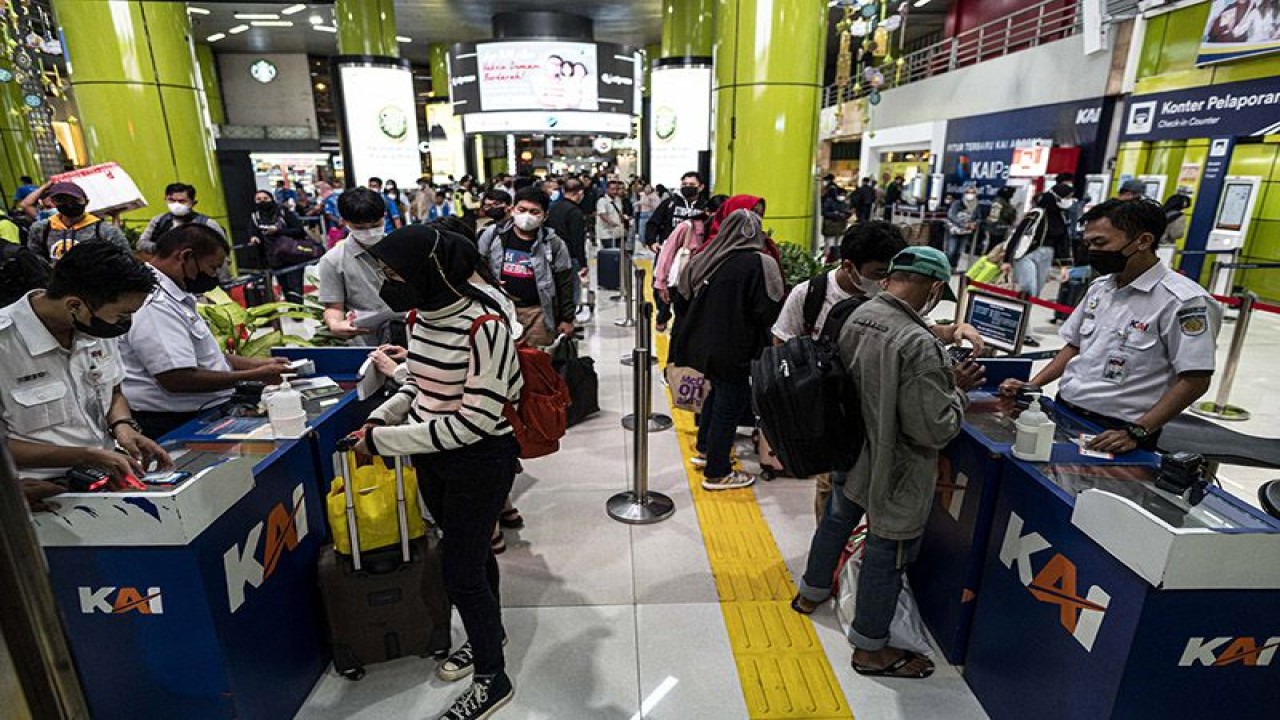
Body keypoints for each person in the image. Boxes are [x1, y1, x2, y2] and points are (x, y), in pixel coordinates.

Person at [347, 226, 522, 720]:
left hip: (480, 459)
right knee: (468, 552)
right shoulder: (421, 317)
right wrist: (385, 414)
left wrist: (384, 442)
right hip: (434, 456)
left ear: (433, 270)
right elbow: (423, 389)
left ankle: (493, 676)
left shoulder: (484, 327)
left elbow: (474, 423)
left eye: (395, 271)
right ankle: (494, 631)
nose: (388, 280)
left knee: (459, 570)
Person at [792, 246, 983, 679]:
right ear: (934, 288)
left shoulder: (856, 313)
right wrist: (957, 391)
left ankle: (811, 592)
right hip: (895, 467)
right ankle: (870, 650)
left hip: (851, 448)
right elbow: (932, 429)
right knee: (886, 548)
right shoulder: (918, 343)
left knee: (837, 520)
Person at [1000, 199, 1222, 453]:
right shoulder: (1101, 288)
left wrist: (1138, 431)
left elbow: (1195, 379)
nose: (1092, 251)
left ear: (1143, 241)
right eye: (1088, 243)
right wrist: (1034, 384)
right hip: (1064, 410)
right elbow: (1074, 345)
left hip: (1118, 430)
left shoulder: (1184, 302)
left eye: (1101, 243)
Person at [0, 242, 173, 485]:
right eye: (121, 316)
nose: (126, 323)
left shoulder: (93, 328)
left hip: (102, 475)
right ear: (75, 305)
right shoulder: (5, 345)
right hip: (37, 489)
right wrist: (83, 456)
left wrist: (122, 425)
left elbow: (112, 388)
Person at [120, 225, 289, 438]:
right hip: (174, 423)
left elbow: (201, 354)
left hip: (204, 412)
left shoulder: (176, 293)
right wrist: (254, 375)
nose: (214, 276)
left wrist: (260, 364)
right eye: (212, 267)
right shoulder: (155, 303)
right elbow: (177, 377)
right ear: (186, 256)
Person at [671, 203, 783, 491]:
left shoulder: (708, 256)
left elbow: (682, 295)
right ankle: (717, 472)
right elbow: (769, 309)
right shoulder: (761, 263)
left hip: (702, 345)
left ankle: (706, 448)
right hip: (737, 349)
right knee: (729, 405)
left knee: (715, 394)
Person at [477, 186, 576, 348]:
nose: (527, 216)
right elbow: (479, 265)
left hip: (537, 313)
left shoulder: (553, 243)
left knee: (535, 362)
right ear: (512, 209)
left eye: (534, 212)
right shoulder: (494, 234)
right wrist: (491, 281)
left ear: (545, 216)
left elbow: (565, 281)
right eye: (522, 209)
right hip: (501, 309)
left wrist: (567, 318)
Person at [317, 188, 404, 346]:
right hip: (367, 342)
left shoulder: (404, 248)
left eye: (376, 225)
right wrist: (335, 324)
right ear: (344, 221)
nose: (369, 232)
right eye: (360, 228)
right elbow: (334, 307)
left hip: (412, 337)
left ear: (384, 217)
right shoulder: (333, 260)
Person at [653, 194, 726, 333]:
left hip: (706, 286)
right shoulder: (688, 227)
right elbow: (666, 253)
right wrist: (661, 283)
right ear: (708, 212)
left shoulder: (724, 231)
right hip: (684, 284)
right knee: (683, 322)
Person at [27, 182, 129, 262]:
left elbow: (125, 259)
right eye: (62, 200)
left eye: (75, 200)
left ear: (86, 202)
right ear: (53, 202)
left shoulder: (105, 231)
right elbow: (36, 260)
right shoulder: (41, 229)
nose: (69, 204)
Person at [249, 190, 310, 303]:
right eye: (259, 199)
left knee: (295, 285)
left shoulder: (283, 212)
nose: (262, 201)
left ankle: (298, 311)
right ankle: (293, 307)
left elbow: (299, 231)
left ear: (272, 199)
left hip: (292, 255)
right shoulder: (255, 217)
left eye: (265, 198)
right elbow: (253, 231)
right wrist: (254, 237)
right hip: (274, 257)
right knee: (284, 286)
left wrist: (278, 230)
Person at [136, 183, 226, 255]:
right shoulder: (159, 220)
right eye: (171, 200)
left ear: (193, 203)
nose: (176, 204)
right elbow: (141, 244)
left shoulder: (207, 224)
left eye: (181, 201)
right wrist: (162, 248)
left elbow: (222, 251)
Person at [544, 179, 590, 311]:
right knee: (571, 290)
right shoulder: (575, 212)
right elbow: (578, 240)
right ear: (580, 193)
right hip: (570, 257)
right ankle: (570, 319)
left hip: (551, 255)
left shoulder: (552, 208)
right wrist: (583, 263)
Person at [644, 171, 709, 249]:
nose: (687, 187)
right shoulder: (669, 203)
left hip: (696, 252)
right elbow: (653, 223)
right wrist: (652, 242)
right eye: (684, 184)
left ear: (701, 187)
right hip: (668, 250)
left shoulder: (706, 207)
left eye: (692, 184)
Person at [945, 186, 982, 268]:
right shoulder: (957, 203)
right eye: (968, 192)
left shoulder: (976, 205)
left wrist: (974, 223)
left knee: (960, 251)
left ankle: (954, 268)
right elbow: (951, 215)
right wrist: (963, 224)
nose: (970, 194)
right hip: (954, 230)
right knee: (951, 250)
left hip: (966, 232)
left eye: (973, 193)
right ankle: (946, 267)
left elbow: (979, 218)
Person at [595, 180, 628, 250]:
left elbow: (619, 213)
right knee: (610, 253)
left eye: (616, 189)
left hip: (618, 233)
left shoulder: (618, 199)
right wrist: (613, 223)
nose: (615, 191)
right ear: (607, 189)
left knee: (618, 254)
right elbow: (602, 215)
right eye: (612, 189)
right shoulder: (602, 201)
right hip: (606, 233)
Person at [985, 186, 1018, 253]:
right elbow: (1003, 215)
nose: (1012, 196)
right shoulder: (999, 202)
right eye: (1012, 193)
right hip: (996, 229)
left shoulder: (1004, 201)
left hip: (999, 229)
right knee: (993, 248)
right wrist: (1013, 211)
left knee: (994, 247)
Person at [820, 184, 851, 248]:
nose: (843, 197)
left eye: (844, 195)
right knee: (829, 243)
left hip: (840, 226)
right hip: (830, 226)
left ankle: (835, 255)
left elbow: (846, 211)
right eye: (842, 195)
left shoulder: (843, 203)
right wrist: (835, 214)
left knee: (838, 244)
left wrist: (847, 214)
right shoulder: (829, 201)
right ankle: (828, 255)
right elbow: (824, 212)